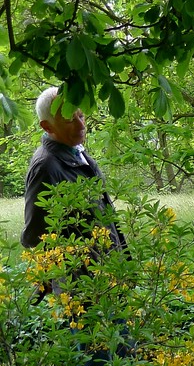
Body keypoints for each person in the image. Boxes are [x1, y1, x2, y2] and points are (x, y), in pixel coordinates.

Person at [22, 87, 125, 250]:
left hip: (108, 267)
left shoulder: (77, 151)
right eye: (70, 119)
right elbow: (35, 236)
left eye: (81, 116)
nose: (81, 125)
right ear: (47, 127)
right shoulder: (45, 167)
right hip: (84, 272)